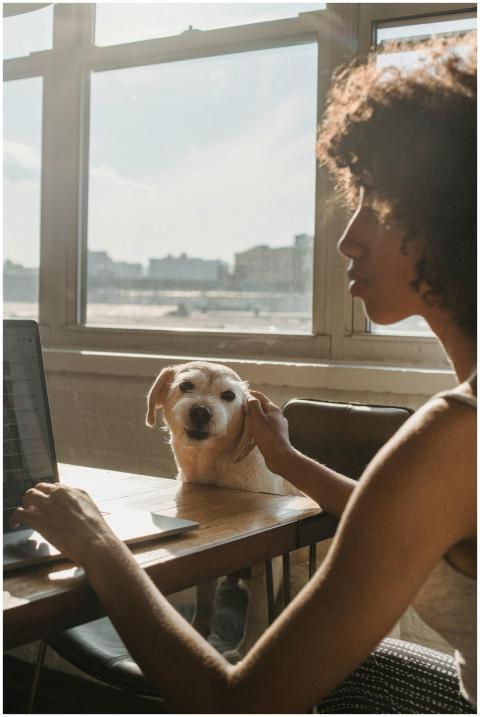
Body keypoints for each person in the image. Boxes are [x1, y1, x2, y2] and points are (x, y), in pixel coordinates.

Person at [12, 33, 476, 713]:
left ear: (448, 212)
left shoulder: (453, 436)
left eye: (371, 197)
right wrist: (288, 461)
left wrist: (102, 545)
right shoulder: (451, 448)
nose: (347, 236)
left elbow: (241, 700)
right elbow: (406, 512)